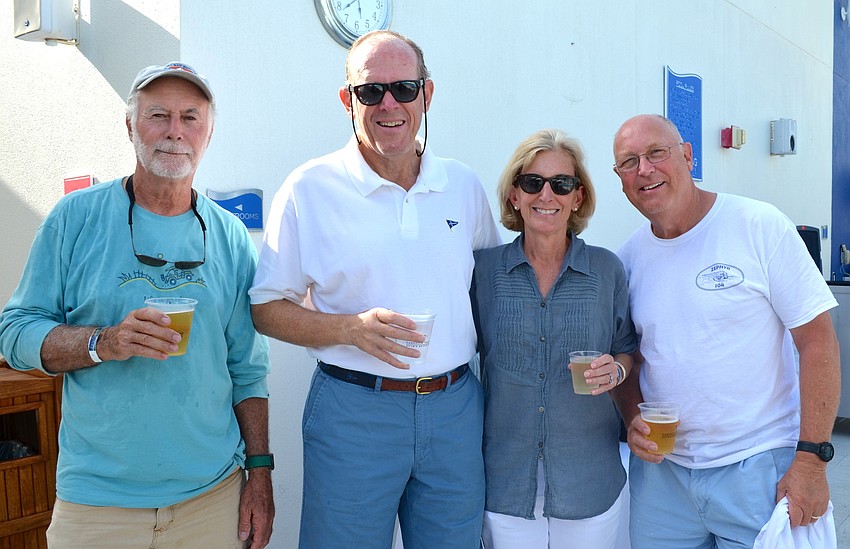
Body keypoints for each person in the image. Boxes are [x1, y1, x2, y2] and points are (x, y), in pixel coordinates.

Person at [0, 62, 274, 549]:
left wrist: (259, 473)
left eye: (191, 117)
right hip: (97, 506)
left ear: (209, 132)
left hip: (210, 500)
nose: (175, 131)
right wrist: (102, 342)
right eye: (158, 115)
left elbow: (247, 369)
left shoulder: (230, 235)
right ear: (130, 125)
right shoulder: (75, 219)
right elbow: (15, 333)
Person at [249, 30, 500, 549]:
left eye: (404, 88)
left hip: (455, 409)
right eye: (371, 91)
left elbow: (492, 289)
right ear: (348, 101)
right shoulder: (308, 188)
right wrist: (348, 329)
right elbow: (266, 308)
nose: (389, 103)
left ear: (427, 94)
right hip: (354, 412)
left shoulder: (463, 185)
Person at [612, 114, 840, 548]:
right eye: (628, 161)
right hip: (664, 479)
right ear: (620, 178)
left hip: (759, 470)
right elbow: (632, 357)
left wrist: (812, 460)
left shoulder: (758, 225)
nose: (644, 169)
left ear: (687, 155)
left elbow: (816, 342)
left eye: (656, 153)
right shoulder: (627, 259)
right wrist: (632, 417)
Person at [471, 129, 637, 548]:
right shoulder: (482, 272)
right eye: (533, 182)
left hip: (589, 479)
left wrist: (616, 370)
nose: (547, 195)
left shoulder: (606, 270)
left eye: (561, 184)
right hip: (505, 479)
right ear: (514, 194)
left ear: (577, 197)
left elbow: (627, 349)